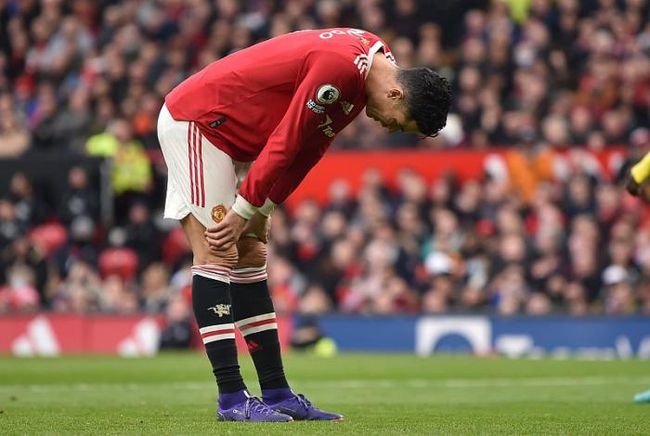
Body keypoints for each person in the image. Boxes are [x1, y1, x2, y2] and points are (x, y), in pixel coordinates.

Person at [157, 27, 450, 422]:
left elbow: (310, 146)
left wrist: (266, 206)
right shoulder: (342, 66)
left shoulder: (365, 73)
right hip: (198, 121)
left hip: (231, 138)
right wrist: (247, 208)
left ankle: (276, 391)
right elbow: (286, 138)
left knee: (252, 254)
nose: (388, 128)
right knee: (216, 250)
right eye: (398, 123)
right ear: (396, 93)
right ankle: (231, 397)